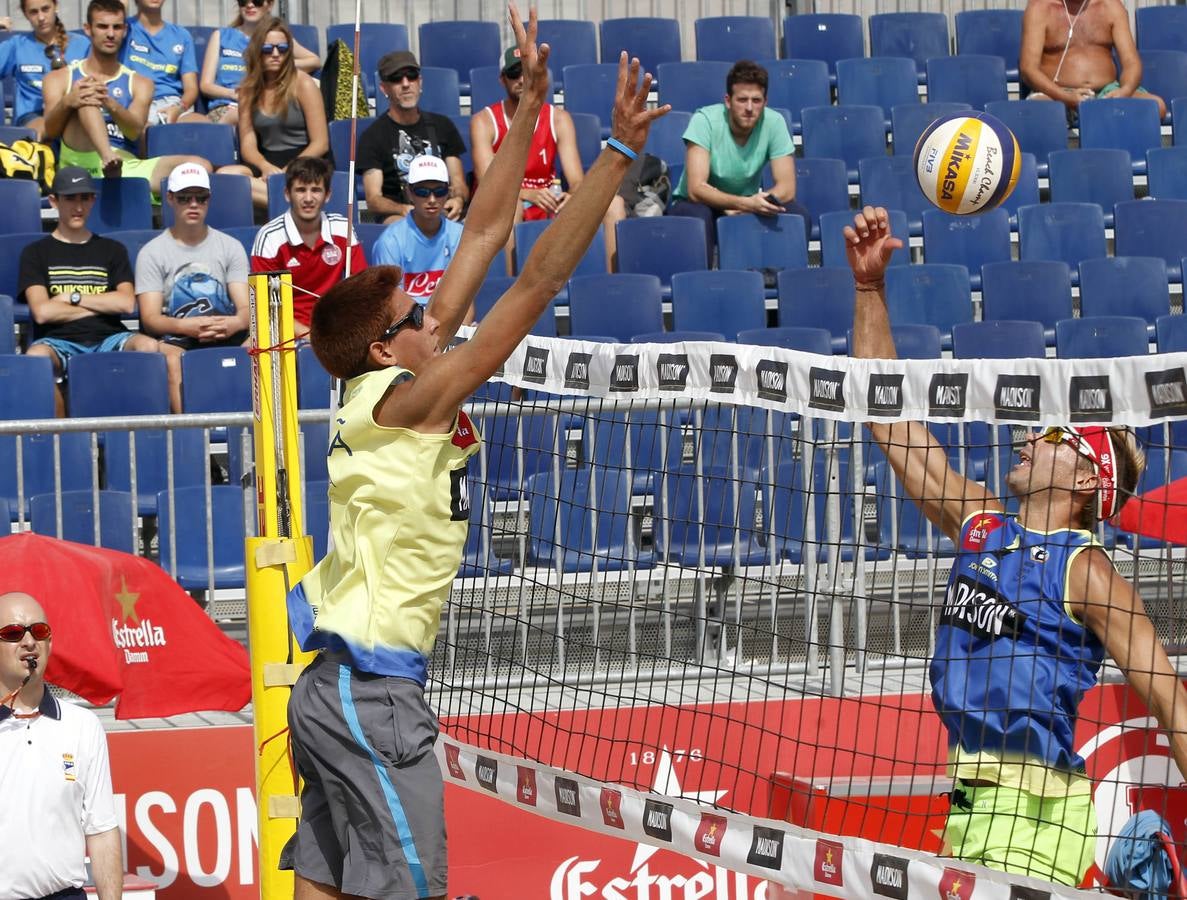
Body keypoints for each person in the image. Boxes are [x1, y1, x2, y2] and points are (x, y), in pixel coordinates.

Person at [279, 6, 667, 895]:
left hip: (338, 689)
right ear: (386, 346)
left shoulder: (383, 382)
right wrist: (613, 153)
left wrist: (528, 107)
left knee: (326, 882)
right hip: (372, 692)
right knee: (415, 886)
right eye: (412, 317)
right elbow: (535, 281)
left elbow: (486, 233)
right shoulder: (411, 400)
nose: (429, 314)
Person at [845, 205, 1187, 886]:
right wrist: (867, 292)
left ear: (1088, 479)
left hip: (1035, 811)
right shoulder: (981, 526)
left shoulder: (1086, 571)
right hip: (975, 796)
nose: (1028, 437)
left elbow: (1169, 699)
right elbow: (887, 416)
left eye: (1053, 437)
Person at [0, 591, 122, 900]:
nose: (29, 642)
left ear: (49, 644)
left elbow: (102, 830)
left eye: (39, 631)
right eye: (13, 633)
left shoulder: (83, 726)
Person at [21, 167, 158, 417]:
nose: (78, 206)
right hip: (58, 341)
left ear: (93, 200)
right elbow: (42, 312)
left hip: (109, 338)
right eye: (70, 198)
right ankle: (63, 437)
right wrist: (101, 303)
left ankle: (138, 436)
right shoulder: (35, 253)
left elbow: (126, 303)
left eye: (85, 197)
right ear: (54, 201)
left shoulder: (112, 250)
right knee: (36, 357)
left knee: (148, 346)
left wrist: (72, 299)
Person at [41, 0, 211, 188]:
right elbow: (50, 130)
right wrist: (68, 102)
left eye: (117, 27)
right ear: (88, 29)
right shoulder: (59, 78)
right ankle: (107, 157)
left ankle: (113, 168)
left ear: (125, 30)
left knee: (199, 166)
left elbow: (134, 132)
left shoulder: (141, 83)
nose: (111, 34)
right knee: (86, 94)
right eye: (103, 27)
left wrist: (109, 102)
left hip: (125, 165)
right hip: (81, 167)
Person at [137, 162, 250, 412]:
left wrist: (234, 323)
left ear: (209, 199)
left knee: (260, 347)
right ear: (170, 199)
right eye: (184, 198)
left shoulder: (230, 247)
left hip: (226, 331)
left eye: (200, 198)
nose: (193, 204)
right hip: (179, 336)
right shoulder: (152, 253)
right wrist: (185, 327)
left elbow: (245, 309)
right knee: (169, 356)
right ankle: (187, 432)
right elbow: (150, 318)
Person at [669, 59, 807, 263]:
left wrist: (758, 203)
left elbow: (787, 188)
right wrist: (744, 203)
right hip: (699, 204)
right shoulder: (704, 120)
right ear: (728, 100)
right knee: (698, 217)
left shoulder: (775, 122)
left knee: (798, 214)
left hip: (748, 202)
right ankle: (700, 282)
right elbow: (696, 189)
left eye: (756, 100)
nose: (750, 108)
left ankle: (780, 279)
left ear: (765, 102)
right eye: (742, 100)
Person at [250, 156, 365, 339]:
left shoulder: (343, 228)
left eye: (316, 190)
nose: (309, 198)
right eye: (301, 190)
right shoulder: (269, 238)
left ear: (327, 195)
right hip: (285, 332)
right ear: (287, 194)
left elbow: (360, 288)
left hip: (336, 328)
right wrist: (310, 337)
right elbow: (269, 309)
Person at [356, 49, 468, 224]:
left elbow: (458, 181)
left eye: (411, 75)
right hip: (402, 215)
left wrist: (458, 200)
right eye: (396, 78)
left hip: (442, 209)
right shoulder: (372, 136)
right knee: (396, 226)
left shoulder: (443, 126)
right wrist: (402, 209)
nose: (406, 83)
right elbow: (373, 199)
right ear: (384, 88)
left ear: (420, 82)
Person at [229, 17, 328, 208]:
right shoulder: (248, 90)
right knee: (228, 176)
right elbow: (248, 143)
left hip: (304, 161)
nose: (275, 54)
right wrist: (265, 166)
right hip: (267, 163)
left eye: (282, 49)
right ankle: (292, 205)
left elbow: (320, 143)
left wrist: (289, 169)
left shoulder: (303, 83)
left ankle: (292, 203)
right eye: (267, 49)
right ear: (257, 51)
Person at [1020, 0, 1166, 121]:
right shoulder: (1039, 9)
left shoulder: (1111, 6)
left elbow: (1131, 63)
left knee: (1156, 107)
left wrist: (1125, 92)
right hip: (1055, 94)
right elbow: (1028, 69)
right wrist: (1065, 97)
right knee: (1039, 113)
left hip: (1107, 92)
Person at [199, 0, 319, 128]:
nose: (250, 5)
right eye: (244, 1)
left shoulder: (275, 38)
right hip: (227, 106)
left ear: (269, 5)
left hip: (263, 106)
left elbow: (314, 60)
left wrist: (277, 63)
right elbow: (206, 85)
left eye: (257, 1)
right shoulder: (222, 36)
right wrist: (233, 94)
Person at [372, 154, 464, 309]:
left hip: (450, 321)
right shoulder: (390, 241)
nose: (432, 199)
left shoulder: (461, 235)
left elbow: (465, 298)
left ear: (448, 192)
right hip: (406, 324)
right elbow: (390, 304)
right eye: (422, 192)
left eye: (439, 191)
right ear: (409, 193)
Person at [0, 0, 90, 138]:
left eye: (45, 9)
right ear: (26, 14)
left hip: (75, 113)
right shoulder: (17, 45)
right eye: (34, 12)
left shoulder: (82, 44)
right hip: (33, 117)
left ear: (56, 7)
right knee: (47, 131)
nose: (41, 17)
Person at [121, 0, 206, 125]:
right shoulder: (122, 29)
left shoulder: (181, 35)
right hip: (136, 103)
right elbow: (110, 11)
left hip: (173, 104)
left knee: (203, 125)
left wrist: (178, 108)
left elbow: (191, 88)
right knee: (144, 130)